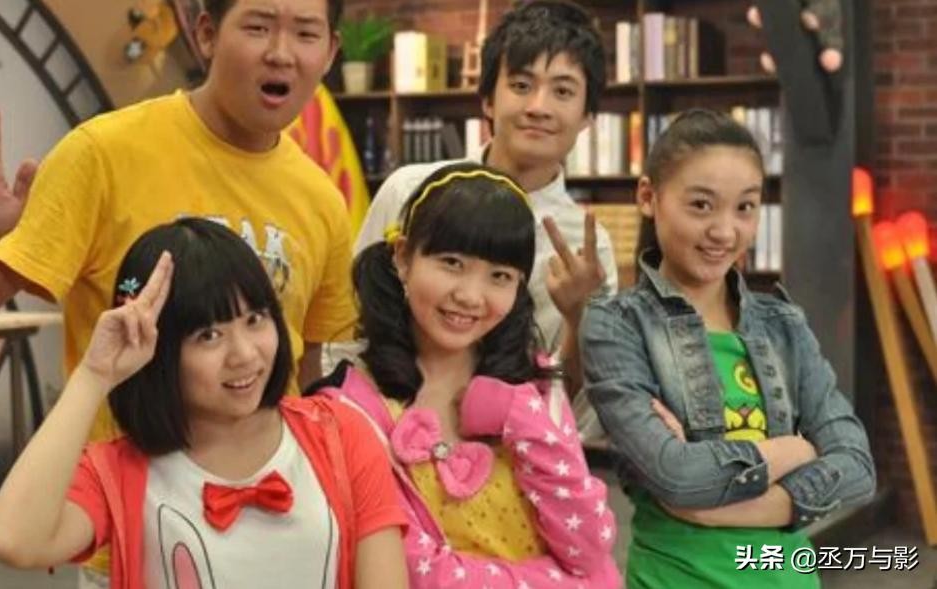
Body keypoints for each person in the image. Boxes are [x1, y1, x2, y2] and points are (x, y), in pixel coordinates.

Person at [0, 0, 354, 437]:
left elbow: (310, 368)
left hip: (265, 475)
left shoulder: (322, 200)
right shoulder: (101, 154)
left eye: (306, 34)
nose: (281, 54)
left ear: (330, 52)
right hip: (122, 475)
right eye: (258, 28)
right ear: (206, 35)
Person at [0, 218, 409, 589]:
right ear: (160, 349)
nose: (244, 354)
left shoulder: (340, 434)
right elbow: (14, 540)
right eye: (209, 335)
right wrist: (94, 376)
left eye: (255, 319)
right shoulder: (118, 471)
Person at [580, 109, 876, 588]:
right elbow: (676, 477)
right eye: (701, 205)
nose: (725, 231)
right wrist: (797, 449)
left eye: (745, 208)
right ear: (648, 197)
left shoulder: (784, 325)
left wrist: (713, 508)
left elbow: (857, 467)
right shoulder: (618, 326)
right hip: (675, 579)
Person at [314, 163, 622, 588]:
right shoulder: (352, 409)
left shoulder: (535, 389)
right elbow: (413, 574)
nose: (471, 296)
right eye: (452, 263)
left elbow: (589, 549)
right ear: (402, 257)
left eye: (499, 276)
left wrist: (519, 415)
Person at [352, 0, 617, 437]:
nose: (539, 106)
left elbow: (570, 403)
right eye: (521, 85)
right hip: (383, 433)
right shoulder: (410, 190)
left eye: (563, 91)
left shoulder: (586, 246)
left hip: (508, 450)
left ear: (588, 116)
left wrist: (578, 315)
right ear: (487, 100)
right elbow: (354, 328)